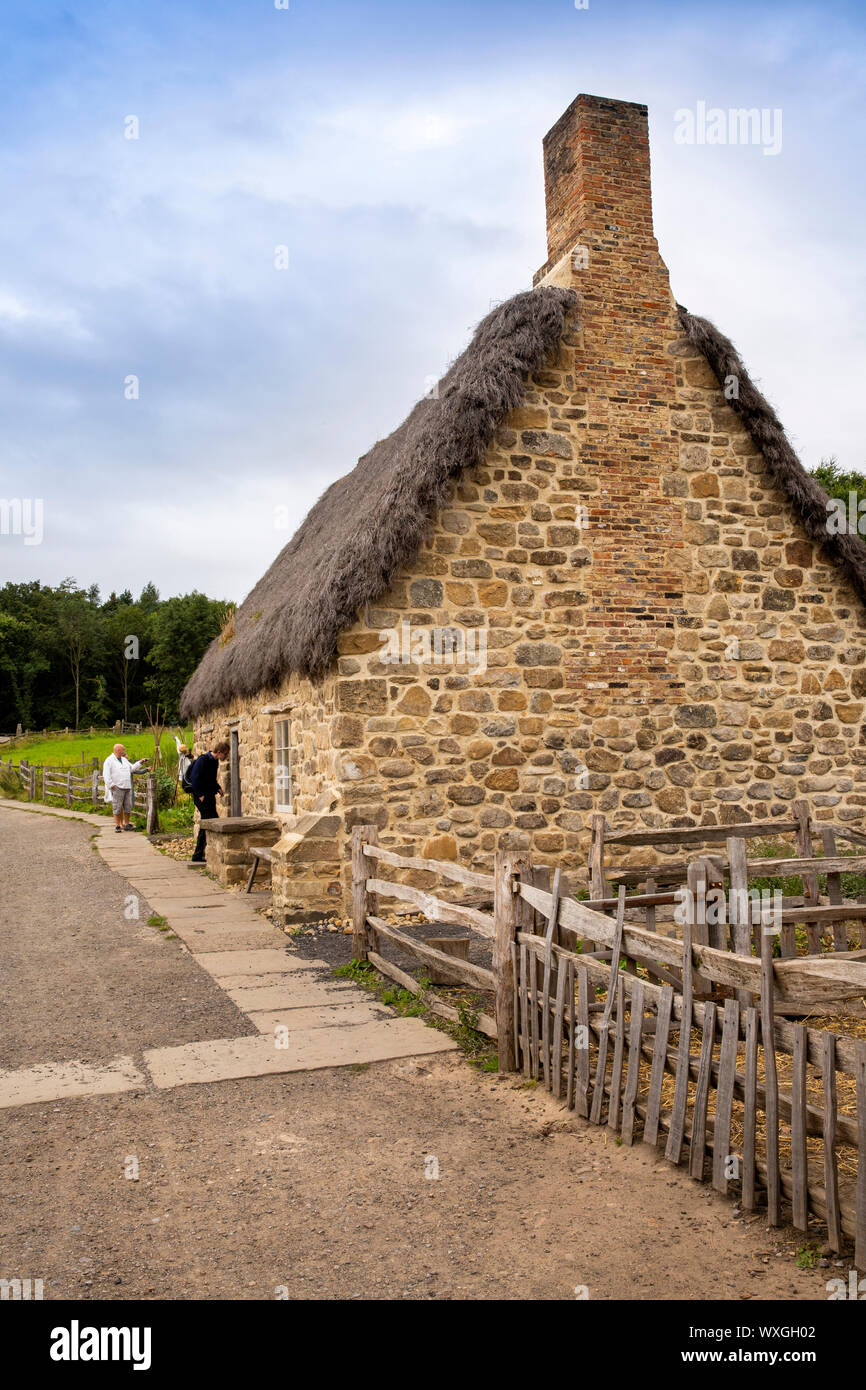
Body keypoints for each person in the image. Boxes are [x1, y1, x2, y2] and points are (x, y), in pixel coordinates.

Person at [188, 741, 229, 863]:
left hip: (209, 795)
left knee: (210, 821)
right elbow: (194, 778)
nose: (226, 757)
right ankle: (199, 854)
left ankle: (201, 853)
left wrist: (217, 788)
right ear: (219, 752)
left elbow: (211, 779)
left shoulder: (214, 761)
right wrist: (199, 794)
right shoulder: (203, 760)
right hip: (201, 797)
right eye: (225, 754)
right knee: (208, 822)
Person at [103, 744, 149, 833]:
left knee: (128, 806)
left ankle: (127, 824)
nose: (124, 750)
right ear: (117, 750)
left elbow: (131, 768)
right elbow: (106, 774)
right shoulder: (109, 760)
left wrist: (140, 762)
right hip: (117, 787)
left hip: (127, 786)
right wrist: (111, 785)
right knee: (117, 806)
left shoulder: (124, 760)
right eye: (122, 749)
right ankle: (117, 825)